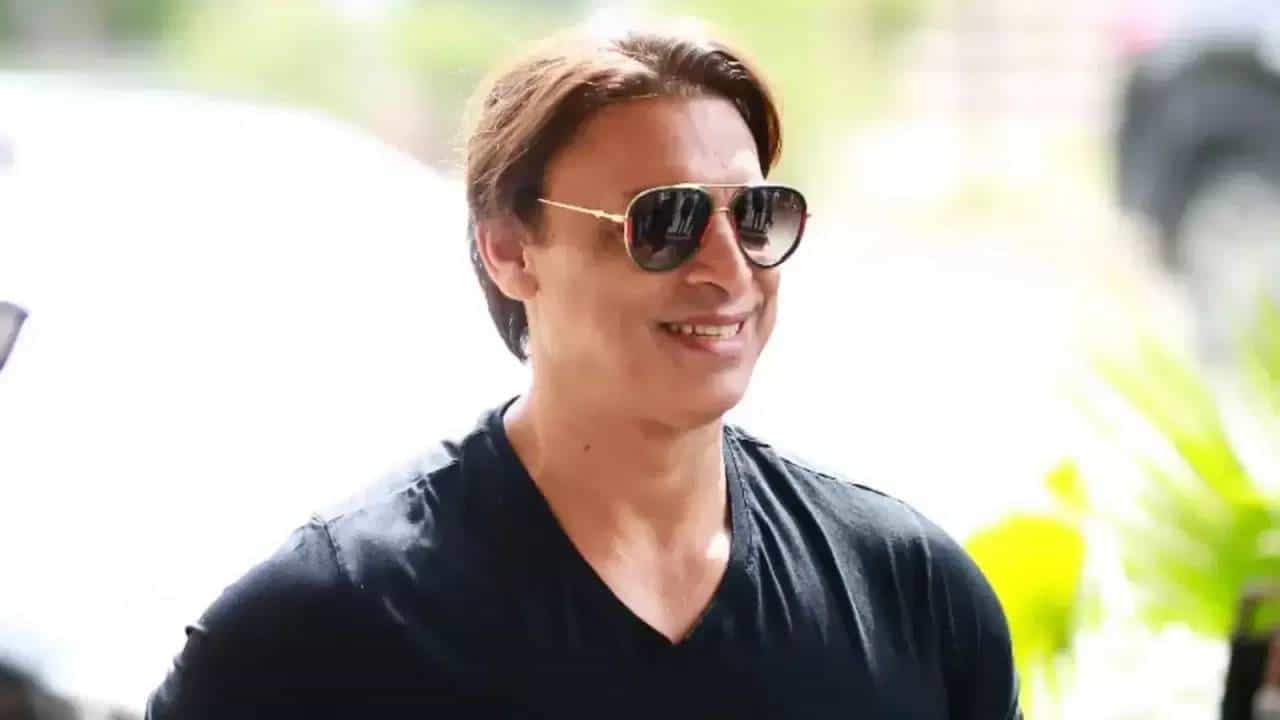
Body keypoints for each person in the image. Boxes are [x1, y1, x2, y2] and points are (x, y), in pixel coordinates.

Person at [147, 24, 1022, 719]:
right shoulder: (325, 626)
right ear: (509, 249)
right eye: (666, 221)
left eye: (756, 215)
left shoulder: (911, 594)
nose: (730, 270)